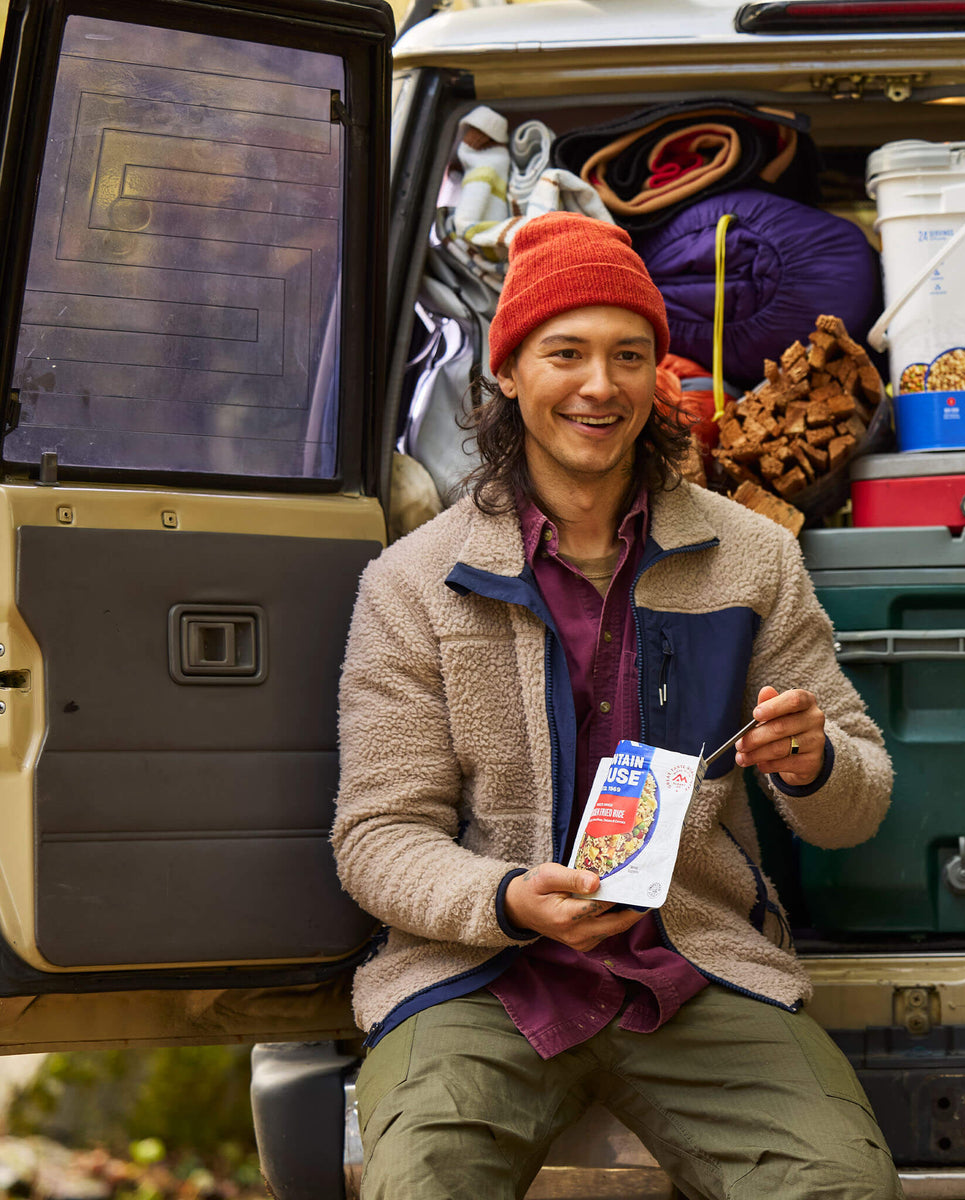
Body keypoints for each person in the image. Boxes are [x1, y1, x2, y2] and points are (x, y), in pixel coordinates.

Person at [332, 211, 902, 1200]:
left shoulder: (756, 557)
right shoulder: (414, 580)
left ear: (659, 378)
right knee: (423, 1182)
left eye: (629, 355)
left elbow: (856, 808)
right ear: (509, 372)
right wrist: (506, 900)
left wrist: (816, 762)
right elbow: (378, 835)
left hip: (694, 965)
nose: (601, 386)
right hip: (477, 977)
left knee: (840, 1185)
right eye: (567, 353)